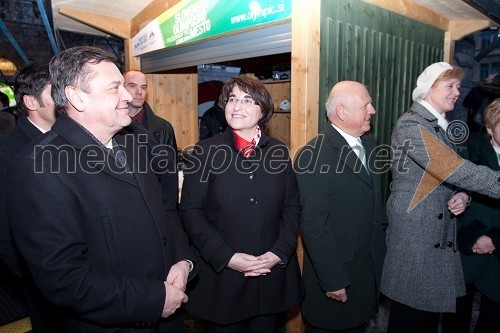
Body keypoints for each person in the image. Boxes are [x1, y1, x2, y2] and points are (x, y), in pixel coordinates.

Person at [6, 46, 195, 333]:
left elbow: (166, 210)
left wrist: (183, 261)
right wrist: (155, 299)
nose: (129, 96)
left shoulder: (134, 142)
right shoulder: (38, 165)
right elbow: (65, 279)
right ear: (76, 97)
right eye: (114, 87)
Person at [380, 62, 500, 333]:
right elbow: (454, 168)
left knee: (427, 320)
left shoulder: (439, 128)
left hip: (435, 239)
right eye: (450, 85)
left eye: (458, 86)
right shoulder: (411, 124)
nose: (457, 91)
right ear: (428, 89)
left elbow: (453, 178)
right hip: (416, 242)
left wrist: (463, 195)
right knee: (409, 320)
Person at [180, 76, 304, 333]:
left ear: (263, 111)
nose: (237, 106)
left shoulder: (278, 152)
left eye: (247, 100)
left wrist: (279, 252)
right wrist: (227, 257)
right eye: (232, 99)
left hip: (270, 279)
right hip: (224, 281)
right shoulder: (205, 151)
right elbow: (191, 213)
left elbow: (291, 207)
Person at [294, 81, 387, 333]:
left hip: (365, 274)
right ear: (342, 112)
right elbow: (314, 226)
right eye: (366, 104)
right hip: (336, 280)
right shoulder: (312, 155)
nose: (373, 110)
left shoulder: (369, 144)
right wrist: (332, 280)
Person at [0, 63, 59, 332]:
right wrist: (36, 278)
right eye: (54, 92)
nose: (64, 99)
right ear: (30, 101)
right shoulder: (8, 153)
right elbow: (4, 230)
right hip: (43, 280)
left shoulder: (67, 140)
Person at [443, 98, 500, 333]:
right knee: (455, 318)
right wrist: (464, 196)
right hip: (467, 247)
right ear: (489, 128)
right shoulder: (470, 150)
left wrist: (495, 240)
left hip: (498, 255)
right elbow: (460, 186)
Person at [123, 69, 179, 209]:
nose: (139, 92)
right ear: (122, 89)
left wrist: (169, 213)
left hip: (157, 204)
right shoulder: (111, 127)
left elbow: (170, 176)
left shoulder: (164, 128)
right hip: (125, 205)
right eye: (132, 85)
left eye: (143, 87)